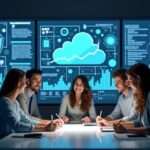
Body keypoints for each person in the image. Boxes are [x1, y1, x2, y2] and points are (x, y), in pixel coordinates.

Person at [0, 69, 62, 137]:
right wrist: (45, 128)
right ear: (18, 83)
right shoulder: (5, 102)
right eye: (25, 81)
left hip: (11, 139)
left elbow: (27, 118)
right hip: (4, 142)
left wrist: (49, 123)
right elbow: (16, 125)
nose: (26, 84)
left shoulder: (15, 103)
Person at [113, 63, 150, 134]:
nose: (128, 83)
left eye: (130, 79)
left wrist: (127, 130)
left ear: (139, 79)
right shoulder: (142, 96)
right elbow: (139, 122)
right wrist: (120, 126)